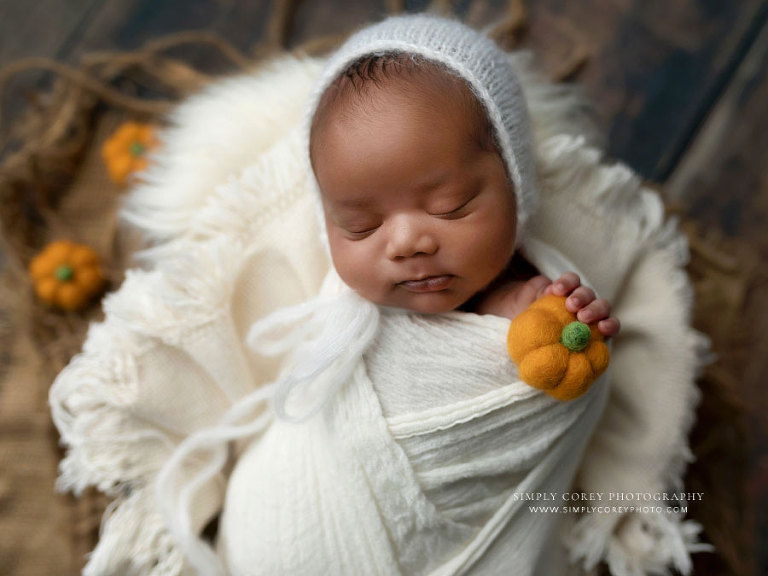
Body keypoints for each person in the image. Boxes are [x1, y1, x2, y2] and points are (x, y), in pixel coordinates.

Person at [50, 13, 708, 576]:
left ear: (516, 181)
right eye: (361, 225)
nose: (408, 242)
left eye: (449, 205)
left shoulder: (543, 293)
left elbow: (548, 380)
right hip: (288, 507)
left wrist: (560, 326)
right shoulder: (336, 301)